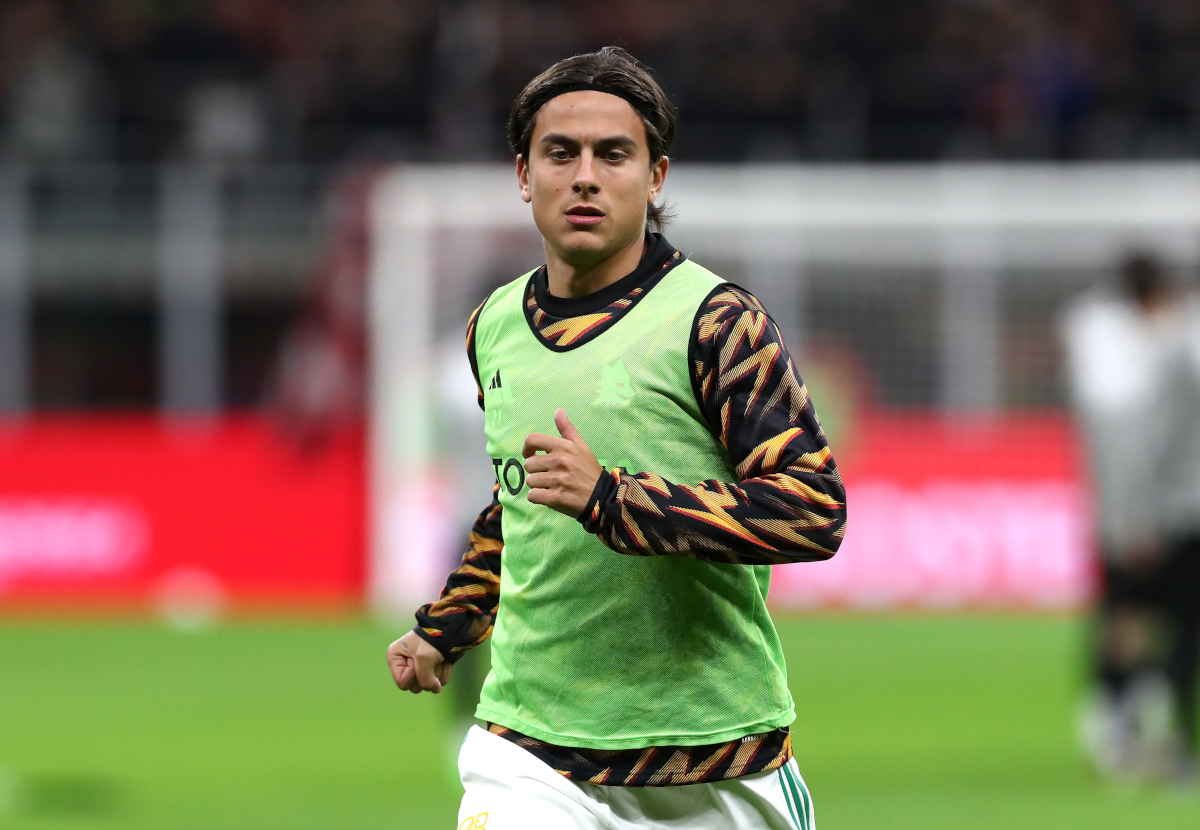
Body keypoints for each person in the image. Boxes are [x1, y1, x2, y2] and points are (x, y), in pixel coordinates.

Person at [387, 47, 847, 829]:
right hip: (530, 751)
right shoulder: (492, 328)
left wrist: (616, 501)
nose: (586, 176)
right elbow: (521, 501)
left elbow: (812, 509)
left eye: (614, 154)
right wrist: (452, 623)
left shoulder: (719, 323)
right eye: (560, 153)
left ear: (656, 177)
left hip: (710, 756)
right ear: (524, 176)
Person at [1063, 253, 1193, 780]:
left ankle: (1132, 714)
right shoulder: (1120, 349)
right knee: (1136, 615)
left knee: (1140, 616)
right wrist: (1129, 518)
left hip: (1150, 511)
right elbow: (1125, 444)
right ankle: (1120, 713)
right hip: (1143, 514)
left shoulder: (1104, 341)